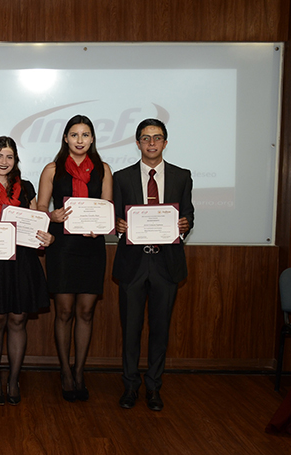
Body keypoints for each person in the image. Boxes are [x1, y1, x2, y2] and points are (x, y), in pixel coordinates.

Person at [113, 118, 194, 411]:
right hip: (133, 264)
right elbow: (115, 218)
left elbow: (188, 213)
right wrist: (119, 225)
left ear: (165, 142)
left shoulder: (182, 176)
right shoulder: (121, 178)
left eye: (157, 137)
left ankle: (154, 387)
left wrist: (184, 225)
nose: (151, 143)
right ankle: (130, 386)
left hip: (166, 264)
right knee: (130, 329)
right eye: (145, 138)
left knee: (160, 329)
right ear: (137, 143)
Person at [0, 136, 52, 406]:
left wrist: (47, 237)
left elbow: (40, 220)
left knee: (18, 320)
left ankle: (14, 379)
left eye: (9, 156)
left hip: (23, 263)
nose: (4, 161)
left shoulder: (26, 189)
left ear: (16, 161)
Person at [37, 115, 113, 403]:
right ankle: (65, 371)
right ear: (65, 139)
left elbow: (106, 207)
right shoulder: (52, 170)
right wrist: (51, 215)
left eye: (85, 135)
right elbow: (42, 207)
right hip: (63, 247)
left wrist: (102, 226)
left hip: (92, 248)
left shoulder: (103, 169)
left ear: (92, 139)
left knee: (86, 312)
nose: (80, 140)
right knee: (64, 312)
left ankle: (79, 371)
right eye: (74, 135)